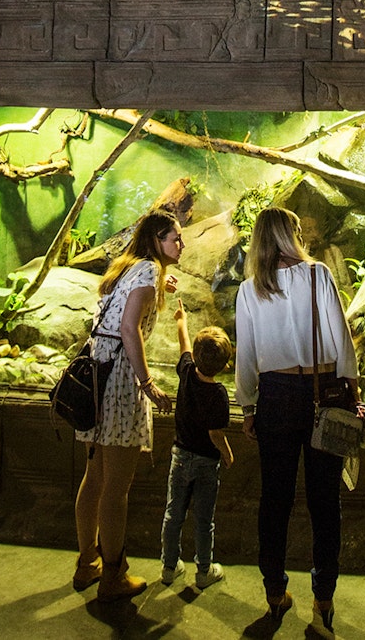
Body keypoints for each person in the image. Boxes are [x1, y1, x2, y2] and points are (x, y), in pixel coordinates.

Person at [235, 207, 362, 636]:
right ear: (290, 235)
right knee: (326, 503)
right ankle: (323, 598)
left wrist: (248, 406)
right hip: (322, 392)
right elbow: (340, 335)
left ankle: (275, 593)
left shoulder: (250, 289)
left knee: (276, 500)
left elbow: (246, 355)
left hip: (274, 397)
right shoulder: (318, 275)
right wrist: (353, 389)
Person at [72, 210, 182, 602]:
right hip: (119, 379)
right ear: (156, 239)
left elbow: (116, 310)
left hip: (97, 374)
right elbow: (128, 326)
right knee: (116, 489)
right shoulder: (148, 273)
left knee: (96, 477)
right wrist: (147, 382)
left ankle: (88, 562)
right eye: (175, 238)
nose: (181, 245)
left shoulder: (130, 267)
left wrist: (162, 285)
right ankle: (113, 576)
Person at [159, 298, 234, 590]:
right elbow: (216, 433)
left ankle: (169, 566)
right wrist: (227, 454)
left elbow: (185, 345)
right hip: (206, 462)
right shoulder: (218, 394)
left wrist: (181, 320)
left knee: (173, 513)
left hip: (180, 456)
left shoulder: (186, 372)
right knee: (204, 519)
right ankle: (204, 570)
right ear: (225, 365)